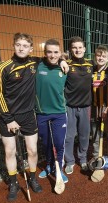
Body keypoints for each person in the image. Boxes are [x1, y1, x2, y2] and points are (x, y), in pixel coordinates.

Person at [0, 33, 43, 201]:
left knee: (32, 150)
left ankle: (32, 177)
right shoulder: (4, 67)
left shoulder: (34, 62)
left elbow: (53, 57)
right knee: (10, 151)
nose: (21, 48)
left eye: (25, 45)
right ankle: (14, 182)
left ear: (30, 49)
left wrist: (63, 60)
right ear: (13, 46)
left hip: (29, 115)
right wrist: (9, 119)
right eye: (18, 45)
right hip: (9, 117)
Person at [36, 39, 68, 183]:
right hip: (42, 113)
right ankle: (48, 166)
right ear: (45, 53)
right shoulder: (37, 66)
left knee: (59, 143)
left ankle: (59, 169)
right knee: (46, 143)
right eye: (49, 52)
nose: (52, 55)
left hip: (59, 113)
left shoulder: (65, 68)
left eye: (56, 52)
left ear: (60, 53)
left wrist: (63, 60)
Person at [64, 36, 93, 174]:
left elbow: (104, 66)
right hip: (69, 107)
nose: (77, 50)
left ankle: (82, 159)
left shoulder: (90, 64)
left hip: (85, 107)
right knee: (69, 136)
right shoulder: (66, 64)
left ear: (84, 49)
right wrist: (60, 60)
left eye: (80, 47)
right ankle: (69, 161)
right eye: (74, 47)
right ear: (70, 49)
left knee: (84, 135)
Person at [91, 45, 108, 158]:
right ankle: (96, 156)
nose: (101, 58)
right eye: (99, 55)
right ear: (95, 56)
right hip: (94, 107)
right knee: (95, 133)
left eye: (104, 56)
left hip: (106, 107)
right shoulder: (91, 70)